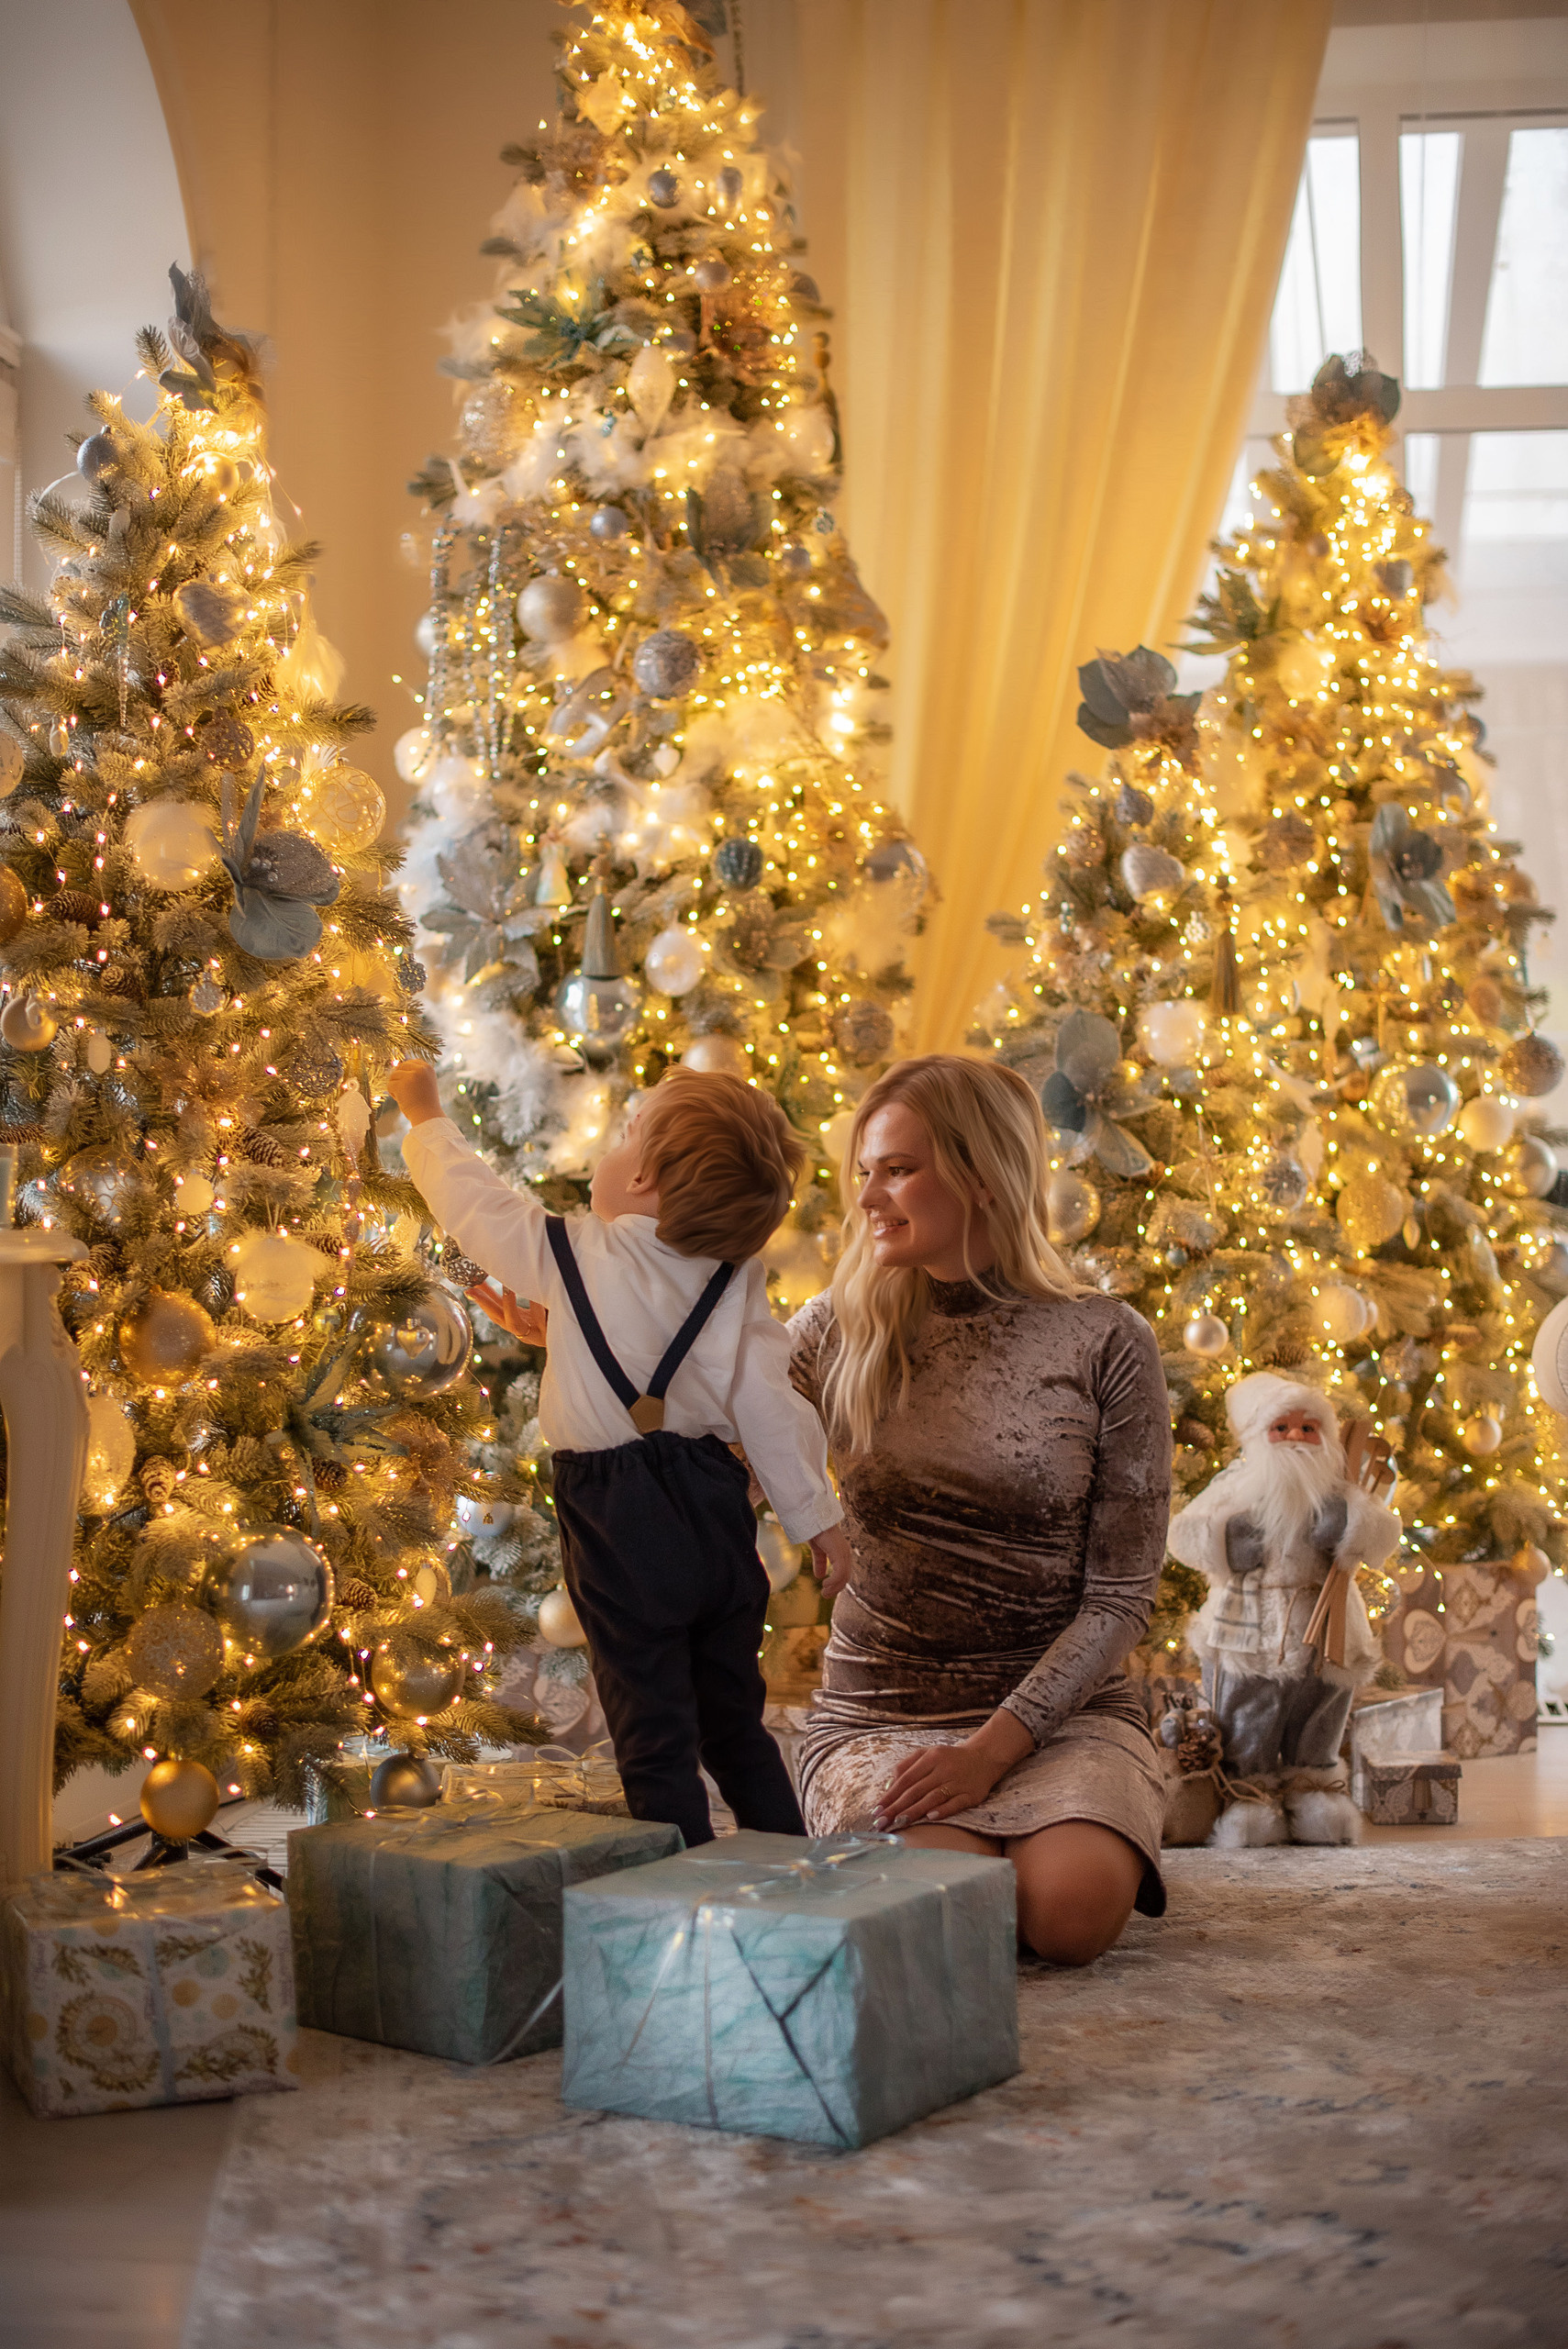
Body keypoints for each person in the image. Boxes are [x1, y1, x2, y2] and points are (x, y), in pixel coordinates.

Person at [387, 1059, 851, 1849]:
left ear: (640, 1179)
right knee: (732, 1720)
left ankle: (679, 1886)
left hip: (614, 1515)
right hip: (711, 1509)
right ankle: (790, 1863)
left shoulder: (571, 1250)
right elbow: (770, 1406)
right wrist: (820, 1524)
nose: (613, 1144)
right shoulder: (728, 1279)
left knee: (652, 1726)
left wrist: (424, 1116)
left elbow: (473, 1204)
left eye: (627, 1132)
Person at [788, 1054, 1173, 1965]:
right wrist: (598, 1346)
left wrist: (990, 1752)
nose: (868, 1196)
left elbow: (1119, 1598)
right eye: (864, 1170)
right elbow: (714, 1462)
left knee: (1067, 1914)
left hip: (1060, 1715)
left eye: (897, 1168)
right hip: (880, 1710)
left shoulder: (1104, 1341)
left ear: (982, 1173)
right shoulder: (829, 1332)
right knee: (946, 1912)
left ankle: (1075, 1820)